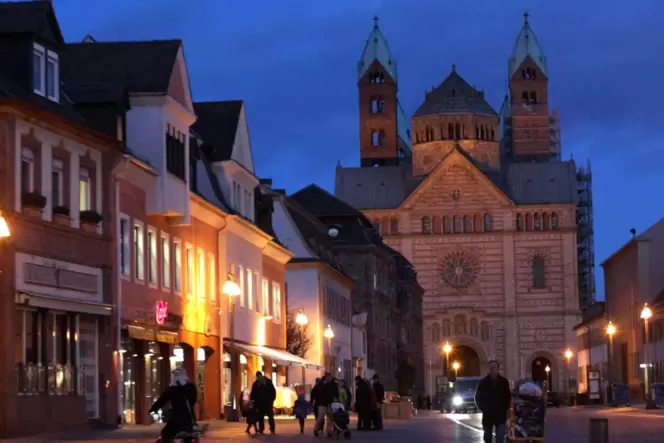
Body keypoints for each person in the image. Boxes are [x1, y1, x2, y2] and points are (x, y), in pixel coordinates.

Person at [148, 366, 197, 442]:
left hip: (176, 420)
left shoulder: (172, 389)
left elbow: (161, 401)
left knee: (165, 433)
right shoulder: (192, 387)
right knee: (190, 435)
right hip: (190, 420)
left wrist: (152, 409)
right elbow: (193, 400)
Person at [475, 360, 511, 443]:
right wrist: (484, 408)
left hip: (500, 414)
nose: (492, 369)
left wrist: (505, 408)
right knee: (487, 439)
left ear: (498, 369)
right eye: (490, 367)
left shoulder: (504, 382)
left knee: (500, 438)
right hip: (488, 415)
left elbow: (508, 397)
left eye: (494, 367)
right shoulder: (482, 383)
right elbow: (477, 398)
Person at [313, 372, 338, 437]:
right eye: (329, 377)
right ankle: (316, 429)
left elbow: (336, 393)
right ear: (326, 377)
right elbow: (314, 392)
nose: (330, 378)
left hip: (330, 403)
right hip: (322, 403)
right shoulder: (320, 384)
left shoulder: (333, 384)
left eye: (331, 377)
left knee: (330, 418)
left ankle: (329, 432)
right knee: (320, 418)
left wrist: (336, 399)